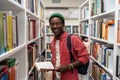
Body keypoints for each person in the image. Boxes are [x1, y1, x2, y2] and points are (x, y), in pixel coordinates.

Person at [49, 13, 90, 80]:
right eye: (52, 24)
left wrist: (69, 66)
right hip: (56, 76)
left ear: (63, 25)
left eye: (58, 23)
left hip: (70, 76)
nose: (55, 26)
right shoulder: (52, 42)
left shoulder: (73, 38)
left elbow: (85, 57)